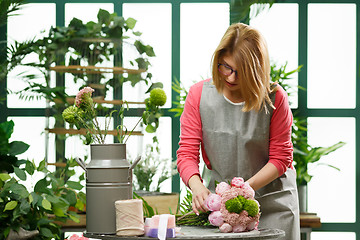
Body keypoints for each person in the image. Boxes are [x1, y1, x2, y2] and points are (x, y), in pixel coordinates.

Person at [176, 22, 300, 240]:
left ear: (256, 70)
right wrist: (196, 186)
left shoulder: (275, 98)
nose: (231, 78)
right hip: (224, 209)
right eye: (225, 66)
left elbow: (281, 158)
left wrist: (244, 190)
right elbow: (186, 153)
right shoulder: (198, 95)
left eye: (240, 72)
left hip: (273, 203)